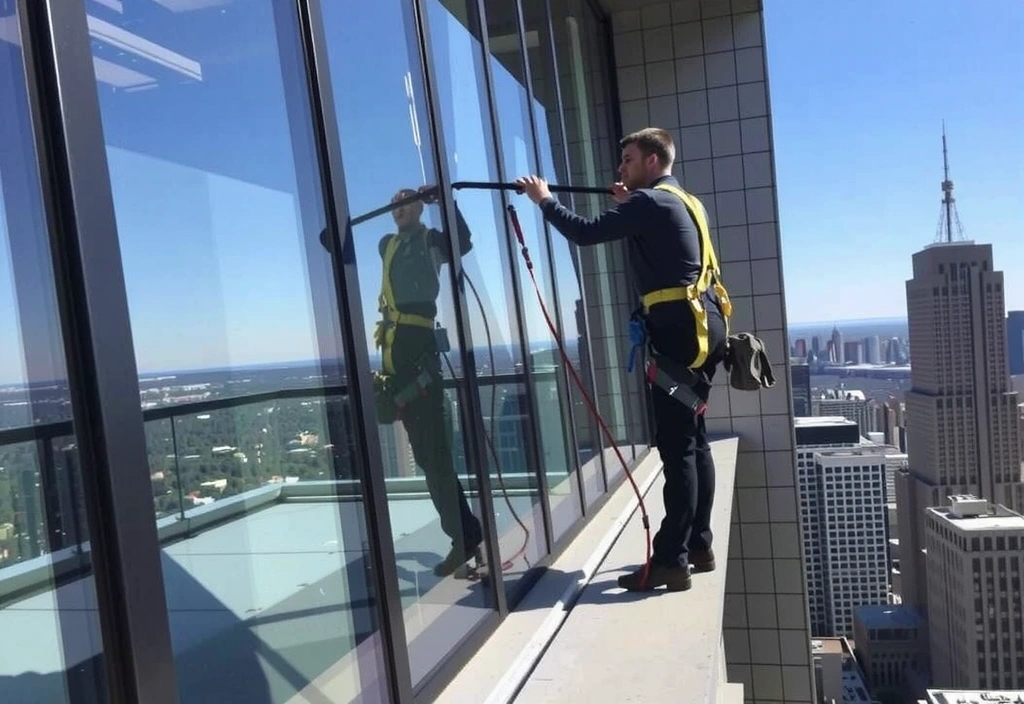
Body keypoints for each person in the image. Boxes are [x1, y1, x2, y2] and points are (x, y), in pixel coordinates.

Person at [515, 127, 729, 593]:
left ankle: (671, 561)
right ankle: (699, 544)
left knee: (678, 449)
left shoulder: (649, 203)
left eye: (628, 160)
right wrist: (627, 201)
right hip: (706, 330)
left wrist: (544, 199)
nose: (621, 168)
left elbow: (585, 233)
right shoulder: (686, 202)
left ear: (652, 161)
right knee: (694, 438)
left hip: (677, 336)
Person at [325, 186, 484, 578]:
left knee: (435, 462)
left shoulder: (431, 241)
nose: (398, 207)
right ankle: (465, 534)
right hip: (400, 360)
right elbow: (335, 243)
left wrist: (443, 202)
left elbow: (461, 243)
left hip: (418, 361)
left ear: (418, 207)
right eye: (393, 203)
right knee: (434, 462)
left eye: (405, 201)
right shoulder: (386, 244)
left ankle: (463, 538)